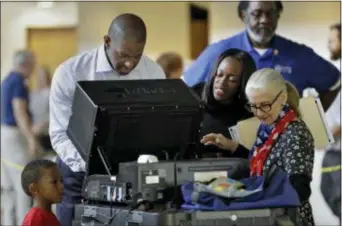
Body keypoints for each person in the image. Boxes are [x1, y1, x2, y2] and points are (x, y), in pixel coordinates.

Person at [49, 13, 166, 226]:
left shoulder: (153, 71)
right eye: (123, 55)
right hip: (78, 174)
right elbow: (59, 134)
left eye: (137, 56)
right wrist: (93, 167)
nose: (130, 64)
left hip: (131, 173)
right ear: (107, 41)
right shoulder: (70, 73)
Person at [201, 68, 315, 225]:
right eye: (253, 106)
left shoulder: (295, 133)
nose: (259, 113)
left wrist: (254, 197)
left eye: (265, 105)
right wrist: (233, 147)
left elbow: (299, 189)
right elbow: (265, 162)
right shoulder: (268, 126)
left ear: (282, 97)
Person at [182, 0, 340, 111]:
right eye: (257, 14)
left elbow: (335, 82)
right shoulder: (218, 51)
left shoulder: (299, 54)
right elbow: (186, 89)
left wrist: (312, 120)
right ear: (244, 16)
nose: (264, 20)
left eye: (270, 13)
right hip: (230, 147)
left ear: (278, 15)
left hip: (284, 147)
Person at [1, 50, 40, 226]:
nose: (33, 70)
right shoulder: (18, 82)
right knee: (23, 185)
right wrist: (31, 138)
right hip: (15, 136)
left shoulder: (7, 80)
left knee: (9, 187)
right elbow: (20, 112)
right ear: (25, 64)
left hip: (4, 134)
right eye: (32, 65)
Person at [195, 48, 256, 158]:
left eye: (232, 80)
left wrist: (232, 146)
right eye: (219, 74)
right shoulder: (194, 95)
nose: (222, 83)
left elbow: (256, 159)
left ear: (242, 85)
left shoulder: (248, 114)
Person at [320, 22, 341, 222]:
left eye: (331, 41)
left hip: (340, 153)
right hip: (332, 150)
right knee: (327, 191)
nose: (328, 45)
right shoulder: (335, 73)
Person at [21, 159, 63, 226]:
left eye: (61, 181)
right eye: (54, 182)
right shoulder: (35, 220)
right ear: (34, 188)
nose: (61, 186)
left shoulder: (48, 215)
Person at [30, 65, 52, 151]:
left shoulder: (51, 92)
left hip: (47, 131)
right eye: (39, 76)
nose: (42, 79)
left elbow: (56, 112)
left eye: (44, 76)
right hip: (35, 134)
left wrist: (43, 123)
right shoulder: (32, 94)